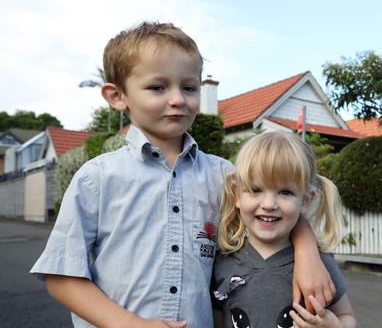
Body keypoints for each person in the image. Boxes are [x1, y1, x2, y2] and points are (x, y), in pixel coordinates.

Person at [30, 21, 334, 328]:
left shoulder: (223, 175)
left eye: (189, 88)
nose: (177, 98)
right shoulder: (96, 178)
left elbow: (276, 208)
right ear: (117, 95)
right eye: (158, 87)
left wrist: (308, 255)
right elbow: (61, 275)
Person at [213, 131, 356, 328]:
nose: (269, 204)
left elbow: (347, 316)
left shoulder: (321, 265)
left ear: (306, 200)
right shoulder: (222, 262)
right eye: (256, 190)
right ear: (236, 193)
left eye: (285, 192)